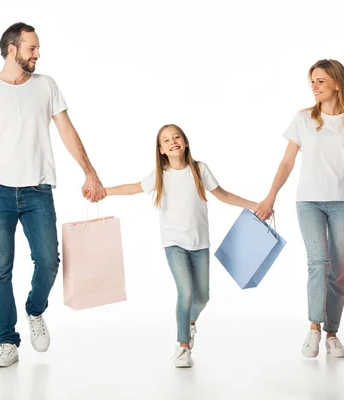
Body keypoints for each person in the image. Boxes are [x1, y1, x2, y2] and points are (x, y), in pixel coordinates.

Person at [0, 22, 106, 368]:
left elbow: (66, 130)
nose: (38, 54)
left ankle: (34, 310)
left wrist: (89, 170)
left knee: (48, 261)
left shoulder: (46, 85)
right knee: (0, 269)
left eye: (38, 48)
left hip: (38, 189)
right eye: (32, 48)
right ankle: (7, 341)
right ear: (12, 49)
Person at [254, 59, 344, 359]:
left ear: (337, 83)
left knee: (337, 272)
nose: (314, 86)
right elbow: (287, 162)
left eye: (321, 80)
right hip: (309, 202)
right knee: (318, 263)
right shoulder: (302, 119)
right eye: (312, 80)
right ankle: (314, 327)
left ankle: (332, 335)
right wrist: (270, 196)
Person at [105, 124, 261, 368]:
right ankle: (182, 346)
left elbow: (223, 195)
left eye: (176, 137)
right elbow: (133, 188)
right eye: (166, 140)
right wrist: (104, 191)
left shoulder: (199, 170)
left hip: (200, 243)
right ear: (161, 150)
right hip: (174, 242)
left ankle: (188, 323)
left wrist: (255, 205)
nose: (172, 141)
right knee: (186, 292)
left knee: (202, 297)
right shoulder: (161, 174)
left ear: (185, 142)